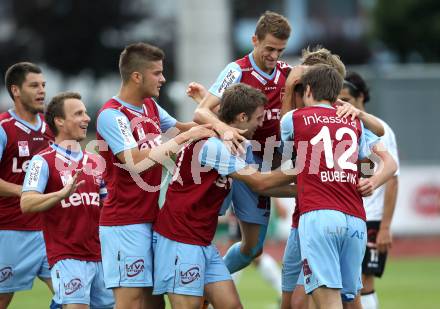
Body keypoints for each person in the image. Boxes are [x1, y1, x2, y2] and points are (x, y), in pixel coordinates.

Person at [152, 83, 297, 309]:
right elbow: (259, 181)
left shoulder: (235, 144)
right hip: (179, 241)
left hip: (201, 241)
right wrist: (304, 169)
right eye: (259, 118)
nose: (263, 124)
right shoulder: (213, 145)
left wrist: (309, 188)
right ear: (241, 117)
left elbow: (260, 186)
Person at [96, 42, 215, 309]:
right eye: (157, 73)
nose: (163, 79)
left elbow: (185, 129)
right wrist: (188, 135)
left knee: (154, 304)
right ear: (136, 76)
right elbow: (135, 162)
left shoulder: (150, 106)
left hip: (151, 219)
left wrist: (207, 104)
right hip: (124, 224)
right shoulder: (112, 115)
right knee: (131, 304)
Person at [280, 65, 397, 309]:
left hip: (319, 216)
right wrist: (372, 181)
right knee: (353, 301)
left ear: (308, 89)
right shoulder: (353, 121)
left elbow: (285, 151)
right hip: (355, 222)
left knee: (327, 302)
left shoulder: (295, 119)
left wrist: (290, 88)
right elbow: (389, 163)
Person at [192, 11, 293, 278]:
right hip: (240, 157)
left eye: (280, 50)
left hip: (273, 159)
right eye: (269, 48)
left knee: (253, 249)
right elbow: (201, 112)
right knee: (201, 227)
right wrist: (225, 130)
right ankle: (197, 282)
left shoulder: (288, 74)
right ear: (254, 40)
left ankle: (208, 282)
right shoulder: (237, 70)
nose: (274, 56)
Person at [20, 92, 114, 309]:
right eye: (79, 113)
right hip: (68, 257)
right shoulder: (41, 161)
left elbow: (106, 207)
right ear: (59, 121)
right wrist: (60, 194)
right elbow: (27, 203)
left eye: (86, 112)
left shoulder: (96, 161)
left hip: (102, 257)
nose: (87, 118)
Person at [0, 62, 59, 309]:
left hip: (49, 231)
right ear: (15, 90)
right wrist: (28, 193)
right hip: (11, 231)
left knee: (73, 294)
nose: (41, 91)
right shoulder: (4, 129)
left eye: (43, 85)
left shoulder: (52, 128)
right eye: (34, 85)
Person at [338, 72, 399, 309]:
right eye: (339, 99)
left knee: (364, 281)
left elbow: (393, 178)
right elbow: (364, 165)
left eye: (347, 100)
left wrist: (384, 226)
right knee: (349, 282)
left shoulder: (382, 130)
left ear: (360, 98)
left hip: (372, 218)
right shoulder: (349, 128)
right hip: (353, 213)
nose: (342, 105)